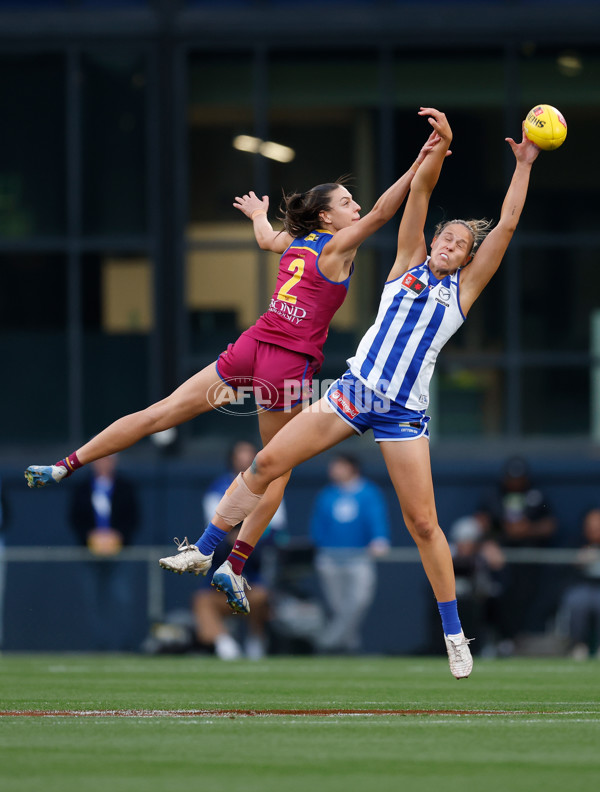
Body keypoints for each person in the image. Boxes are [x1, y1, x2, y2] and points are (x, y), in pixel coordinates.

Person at [176, 107, 542, 680]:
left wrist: (522, 165)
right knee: (269, 460)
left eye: (457, 243)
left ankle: (453, 632)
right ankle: (207, 549)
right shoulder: (405, 263)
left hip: (403, 412)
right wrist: (437, 149)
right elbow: (418, 195)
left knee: (423, 524)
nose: (447, 243)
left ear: (468, 258)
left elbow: (507, 227)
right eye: (444, 236)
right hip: (354, 392)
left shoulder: (462, 292)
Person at [24, 118, 443, 584]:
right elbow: (384, 213)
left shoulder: (309, 243)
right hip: (281, 366)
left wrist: (259, 216)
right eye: (347, 202)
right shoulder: (330, 247)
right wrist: (419, 163)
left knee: (159, 414)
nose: (357, 207)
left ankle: (65, 465)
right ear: (326, 216)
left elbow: (269, 239)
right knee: (273, 466)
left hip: (251, 349)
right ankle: (235, 564)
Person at [192, 440, 284, 660]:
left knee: (262, 597)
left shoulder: (271, 487)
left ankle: (256, 641)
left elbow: (276, 529)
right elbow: (214, 527)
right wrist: (231, 537)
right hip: (220, 574)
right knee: (202, 602)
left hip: (250, 574)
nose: (244, 461)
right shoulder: (218, 488)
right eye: (239, 456)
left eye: (248, 456)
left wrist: (248, 538)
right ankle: (225, 646)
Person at [309, 452, 390, 654]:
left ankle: (327, 641)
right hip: (329, 558)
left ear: (352, 468)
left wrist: (380, 539)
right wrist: (317, 546)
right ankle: (350, 645)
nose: (333, 470)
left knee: (359, 600)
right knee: (338, 605)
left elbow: (377, 518)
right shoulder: (327, 494)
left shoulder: (369, 492)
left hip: (359, 557)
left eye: (338, 466)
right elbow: (318, 525)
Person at [478, 456, 557, 649]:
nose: (515, 482)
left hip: (530, 561)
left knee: (528, 600)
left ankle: (521, 641)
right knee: (496, 597)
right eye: (511, 477)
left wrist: (527, 529)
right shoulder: (494, 495)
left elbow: (550, 525)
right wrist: (489, 541)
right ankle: (499, 641)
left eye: (519, 477)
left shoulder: (536, 495)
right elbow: (480, 521)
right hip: (499, 561)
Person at [68, 454, 140, 650]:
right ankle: (98, 644)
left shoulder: (125, 486)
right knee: (92, 599)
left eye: (108, 459)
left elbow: (133, 519)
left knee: (122, 598)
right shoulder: (82, 488)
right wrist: (90, 537)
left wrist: (118, 537)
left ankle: (125, 644)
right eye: (99, 459)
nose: (104, 463)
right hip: (89, 554)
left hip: (120, 554)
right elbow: (75, 519)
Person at [560, 507, 600, 660]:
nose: (596, 529)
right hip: (580, 586)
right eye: (593, 525)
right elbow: (560, 571)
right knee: (577, 601)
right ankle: (578, 645)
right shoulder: (575, 542)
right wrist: (578, 560)